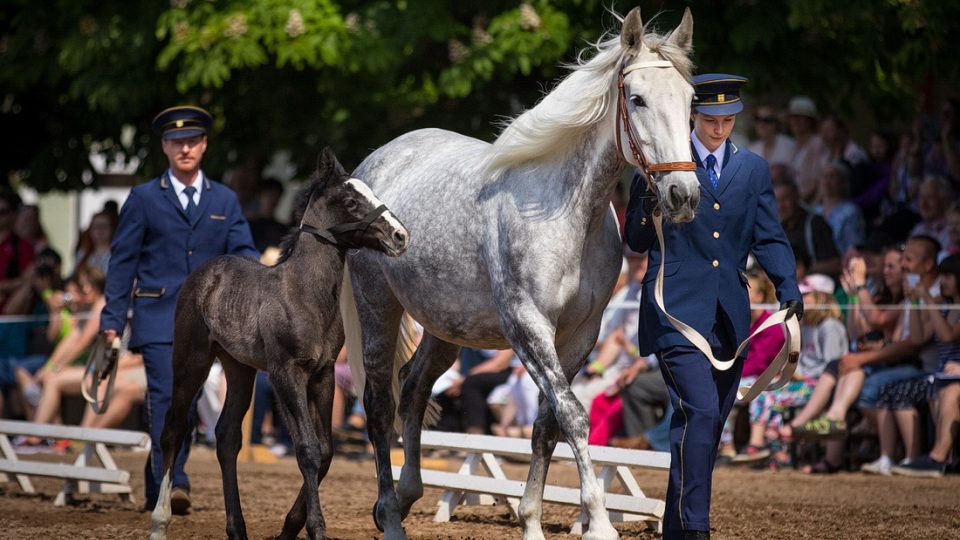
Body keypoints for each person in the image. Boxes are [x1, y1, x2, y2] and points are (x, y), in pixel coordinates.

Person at [625, 73, 801, 540]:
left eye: (728, 120)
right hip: (674, 313)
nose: (720, 128)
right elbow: (635, 240)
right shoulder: (658, 164)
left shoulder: (754, 169)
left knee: (703, 427)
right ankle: (697, 528)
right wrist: (647, 198)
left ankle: (676, 529)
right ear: (691, 116)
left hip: (730, 316)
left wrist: (788, 285)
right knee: (700, 414)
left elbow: (768, 236)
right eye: (710, 119)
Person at [100, 105, 258, 514]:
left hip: (213, 322)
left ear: (204, 145)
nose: (185, 148)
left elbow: (243, 253)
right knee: (169, 398)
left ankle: (163, 483)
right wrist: (111, 323)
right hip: (158, 317)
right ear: (164, 147)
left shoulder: (224, 198)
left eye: (192, 141)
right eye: (176, 141)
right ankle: (174, 480)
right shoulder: (144, 198)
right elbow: (122, 263)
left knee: (184, 404)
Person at [774, 178, 842, 277]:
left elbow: (836, 264)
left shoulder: (816, 224)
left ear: (797, 197)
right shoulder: (777, 229)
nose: (780, 206)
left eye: (785, 199)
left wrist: (805, 270)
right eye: (776, 201)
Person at [815, 160, 866, 255]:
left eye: (832, 177)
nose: (827, 181)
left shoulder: (850, 211)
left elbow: (854, 245)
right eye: (824, 177)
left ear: (843, 182)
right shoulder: (816, 210)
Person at [786, 96, 827, 203]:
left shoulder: (817, 144)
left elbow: (816, 181)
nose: (795, 121)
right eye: (793, 117)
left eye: (800, 117)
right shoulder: (794, 144)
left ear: (810, 121)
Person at [748, 104, 795, 173]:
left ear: (776, 123)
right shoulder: (751, 150)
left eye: (767, 120)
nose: (761, 124)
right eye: (757, 119)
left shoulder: (789, 145)